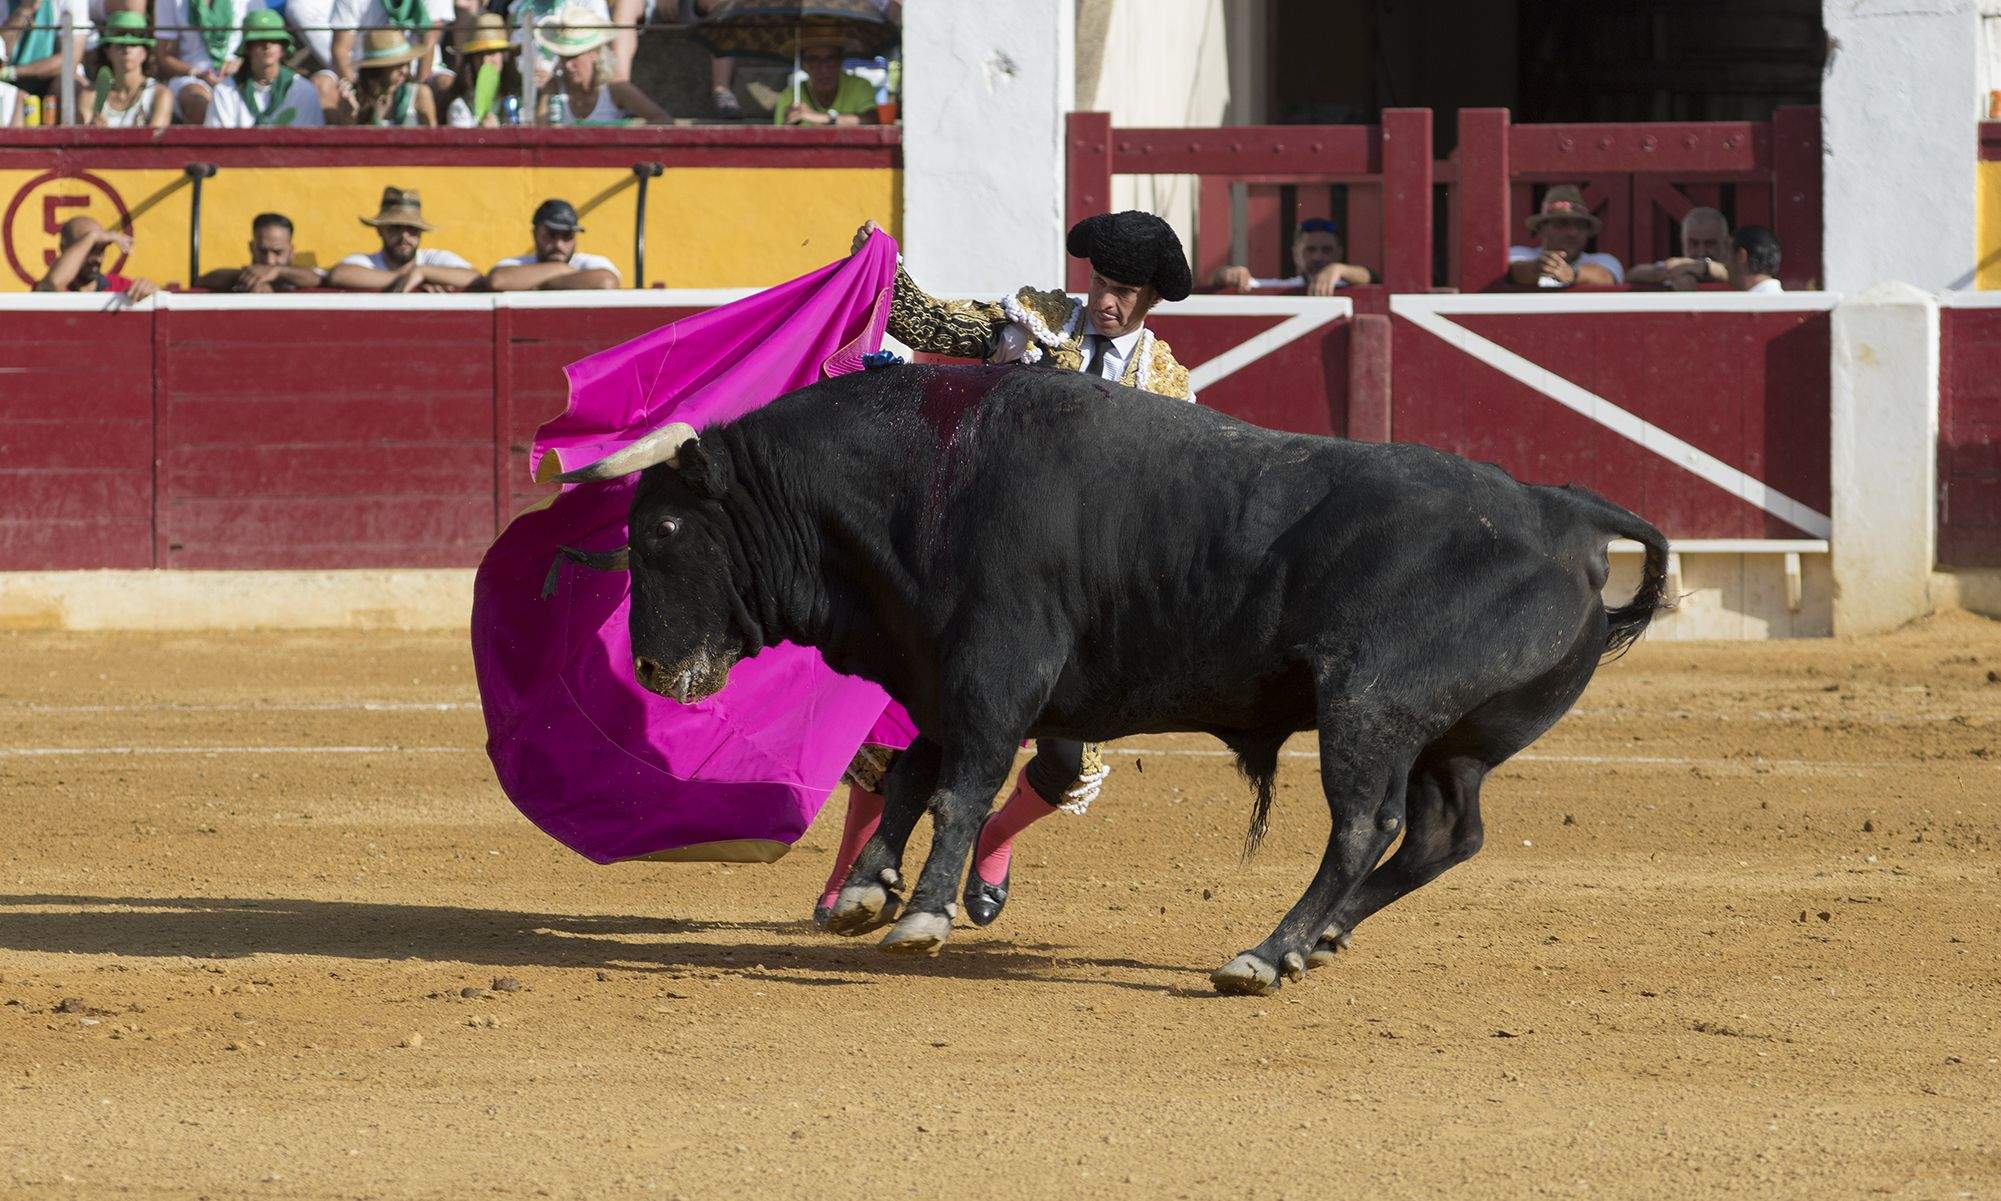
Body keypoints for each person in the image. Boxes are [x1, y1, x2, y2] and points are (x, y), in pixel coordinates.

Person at [815, 210, 1195, 930]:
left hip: (1082, 590)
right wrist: (882, 266)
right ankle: (847, 872)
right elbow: (928, 325)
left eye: (1126, 293)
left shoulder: (1167, 387)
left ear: (1150, 299)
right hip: (976, 558)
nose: (1107, 303)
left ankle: (995, 837)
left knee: (1068, 758)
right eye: (1102, 284)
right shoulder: (1037, 324)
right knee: (901, 718)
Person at [327, 187, 478, 292]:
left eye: (412, 229)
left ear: (420, 233)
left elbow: (475, 278)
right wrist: (409, 277)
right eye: (395, 228)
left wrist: (422, 272)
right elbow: (339, 274)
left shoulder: (432, 259)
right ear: (380, 230)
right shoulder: (368, 261)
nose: (404, 237)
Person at [534, 6, 665, 124]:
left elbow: (662, 120)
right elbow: (538, 136)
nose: (568, 65)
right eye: (563, 57)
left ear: (594, 54)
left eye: (574, 56)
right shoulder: (552, 90)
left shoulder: (616, 89)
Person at [152, 0, 269, 124]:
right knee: (198, 103)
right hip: (190, 77)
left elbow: (265, 41)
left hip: (241, 74)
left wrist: (240, 62)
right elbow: (165, 57)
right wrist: (197, 73)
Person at [203, 10, 326, 127]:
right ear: (247, 48)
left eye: (274, 40)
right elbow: (218, 141)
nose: (267, 46)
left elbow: (310, 142)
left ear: (283, 48)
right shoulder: (225, 90)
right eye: (259, 40)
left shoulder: (302, 90)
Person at [325, 0, 451, 111]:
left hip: (416, 75)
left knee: (442, 86)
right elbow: (339, 50)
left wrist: (415, 92)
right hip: (365, 75)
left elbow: (428, 44)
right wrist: (356, 89)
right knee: (327, 88)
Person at [1209, 217, 1372, 294]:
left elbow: (1371, 277)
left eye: (1326, 250)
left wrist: (1339, 270)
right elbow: (1214, 281)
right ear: (1296, 254)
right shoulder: (1282, 287)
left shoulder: (1348, 285)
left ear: (1339, 253)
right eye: (1310, 249)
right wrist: (1228, 274)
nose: (1317, 257)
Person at [485, 198, 621, 290]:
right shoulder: (515, 263)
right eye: (551, 234)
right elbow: (497, 280)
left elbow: (606, 282)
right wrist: (562, 270)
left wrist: (538, 284)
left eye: (567, 235)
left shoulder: (591, 262)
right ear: (535, 233)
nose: (559, 244)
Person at [1506, 184, 1624, 289]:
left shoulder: (1604, 261)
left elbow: (1606, 276)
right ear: (1542, 229)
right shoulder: (1520, 254)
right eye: (1561, 223)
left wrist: (1572, 273)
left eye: (1580, 225)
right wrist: (1538, 268)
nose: (1572, 233)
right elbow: (1514, 270)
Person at [34, 216, 158, 302]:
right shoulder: (45, 286)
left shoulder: (121, 287)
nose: (97, 258)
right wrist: (93, 236)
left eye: (101, 248)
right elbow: (54, 284)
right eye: (89, 248)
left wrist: (150, 292)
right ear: (64, 247)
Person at [193, 213, 325, 292]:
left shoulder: (302, 277)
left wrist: (278, 271)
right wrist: (250, 278)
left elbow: (316, 278)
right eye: (263, 251)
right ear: (252, 248)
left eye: (277, 252)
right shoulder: (239, 278)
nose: (269, 260)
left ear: (291, 251)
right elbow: (204, 280)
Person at [81, 10, 168, 127]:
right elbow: (81, 139)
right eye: (120, 45)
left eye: (134, 44)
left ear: (144, 52)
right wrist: (92, 130)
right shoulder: (90, 95)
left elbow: (155, 141)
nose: (127, 50)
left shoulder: (160, 94)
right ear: (107, 51)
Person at [774, 28, 875, 126]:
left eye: (830, 59)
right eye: (813, 60)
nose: (823, 69)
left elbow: (873, 120)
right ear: (802, 65)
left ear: (840, 61)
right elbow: (778, 138)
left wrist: (820, 117)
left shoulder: (859, 86)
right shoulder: (790, 96)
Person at [337, 28, 437, 125]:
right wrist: (350, 115)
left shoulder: (420, 93)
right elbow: (349, 139)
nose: (404, 71)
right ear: (378, 68)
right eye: (397, 65)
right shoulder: (355, 96)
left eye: (407, 64)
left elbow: (434, 138)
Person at [1626, 206, 1732, 290]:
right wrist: (1668, 273)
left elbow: (1736, 275)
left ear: (1726, 244)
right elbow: (1633, 274)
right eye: (1694, 243)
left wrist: (1705, 267)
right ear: (1682, 242)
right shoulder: (1679, 268)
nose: (1701, 251)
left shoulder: (1740, 272)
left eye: (1710, 243)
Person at [441, 12, 517, 127]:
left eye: (492, 53)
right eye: (479, 55)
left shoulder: (519, 99)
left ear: (504, 56)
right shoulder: (460, 106)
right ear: (471, 60)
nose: (485, 61)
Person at [1, 0, 87, 98]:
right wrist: (24, 10)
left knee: (74, 87)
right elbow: (1, 54)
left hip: (49, 81)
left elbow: (70, 60)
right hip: (6, 84)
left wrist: (14, 72)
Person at [1729, 225, 1784, 293]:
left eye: (1728, 252)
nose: (1725, 262)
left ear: (1741, 256)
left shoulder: (1752, 302)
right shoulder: (1786, 300)